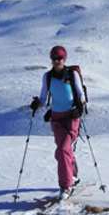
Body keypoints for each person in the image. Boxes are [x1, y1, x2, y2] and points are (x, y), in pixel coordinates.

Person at [29, 45, 85, 198]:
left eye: (60, 58)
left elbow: (81, 95)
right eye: (54, 58)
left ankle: (66, 186)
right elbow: (42, 98)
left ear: (64, 59)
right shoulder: (47, 77)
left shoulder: (72, 75)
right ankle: (72, 175)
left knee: (62, 149)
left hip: (72, 117)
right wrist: (37, 103)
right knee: (63, 150)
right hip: (56, 118)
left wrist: (79, 108)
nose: (57, 61)